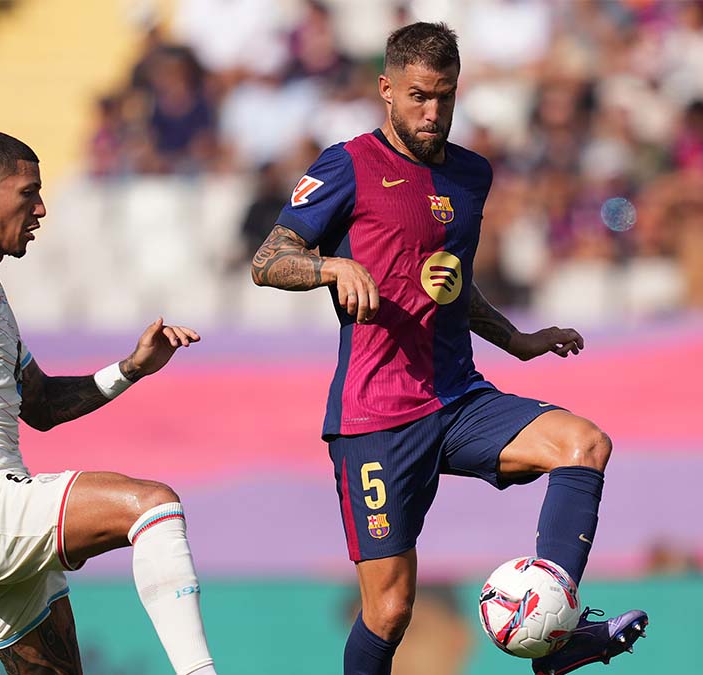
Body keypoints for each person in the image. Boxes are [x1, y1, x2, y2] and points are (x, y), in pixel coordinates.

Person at [249, 23, 646, 675]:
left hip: (459, 397)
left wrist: (516, 340)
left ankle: (557, 635)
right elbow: (269, 259)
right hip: (375, 418)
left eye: (445, 96)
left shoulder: (470, 176)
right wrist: (330, 269)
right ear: (386, 90)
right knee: (391, 608)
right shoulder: (347, 165)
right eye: (418, 96)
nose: (432, 112)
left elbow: (451, 282)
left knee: (585, 444)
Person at [0, 131, 218, 675]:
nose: (40, 209)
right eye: (28, 193)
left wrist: (130, 369)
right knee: (155, 506)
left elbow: (38, 404)